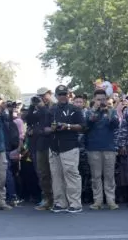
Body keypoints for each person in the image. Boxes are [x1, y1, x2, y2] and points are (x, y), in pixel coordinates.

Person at [46, 85, 85, 213]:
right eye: (60, 94)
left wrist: (67, 126)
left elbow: (83, 127)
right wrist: (51, 128)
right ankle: (60, 202)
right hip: (54, 147)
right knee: (56, 176)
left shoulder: (75, 109)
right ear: (56, 96)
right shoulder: (51, 110)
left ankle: (75, 203)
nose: (62, 96)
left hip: (69, 146)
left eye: (64, 94)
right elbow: (44, 128)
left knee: (71, 174)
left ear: (68, 95)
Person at [86, 88, 119, 210]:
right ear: (94, 100)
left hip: (109, 148)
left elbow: (115, 124)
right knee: (96, 176)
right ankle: (97, 201)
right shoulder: (89, 111)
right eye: (98, 99)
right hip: (94, 148)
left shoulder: (112, 111)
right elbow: (86, 123)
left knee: (109, 176)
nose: (101, 102)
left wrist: (108, 111)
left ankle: (111, 201)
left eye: (103, 99)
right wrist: (95, 109)